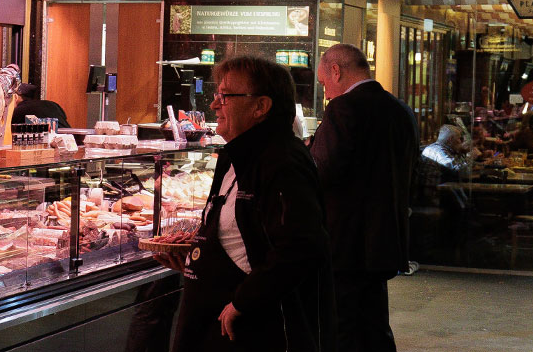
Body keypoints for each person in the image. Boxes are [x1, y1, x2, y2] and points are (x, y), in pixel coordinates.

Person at [157, 55, 329, 351]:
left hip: (253, 330)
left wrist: (243, 302)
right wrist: (193, 258)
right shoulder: (234, 156)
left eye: (225, 96)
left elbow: (300, 246)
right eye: (216, 95)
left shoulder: (283, 163)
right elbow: (239, 235)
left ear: (261, 106)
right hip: (209, 321)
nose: (214, 105)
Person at [308, 44, 416, 352]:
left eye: (324, 82)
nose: (325, 91)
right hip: (385, 239)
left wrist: (304, 156)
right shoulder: (400, 109)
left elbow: (322, 169)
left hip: (347, 242)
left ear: (336, 71)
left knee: (344, 327)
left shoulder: (343, 108)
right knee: (374, 323)